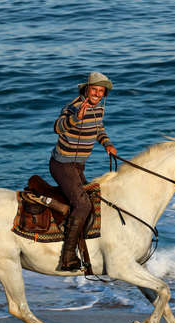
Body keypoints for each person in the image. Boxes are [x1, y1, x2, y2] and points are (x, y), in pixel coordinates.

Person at [50, 72, 117, 271]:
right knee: (82, 204)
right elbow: (57, 127)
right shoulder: (74, 107)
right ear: (86, 90)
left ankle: (85, 244)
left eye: (100, 91)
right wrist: (75, 118)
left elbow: (99, 129)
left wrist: (107, 144)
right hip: (62, 164)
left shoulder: (98, 109)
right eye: (94, 89)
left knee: (94, 200)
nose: (97, 93)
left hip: (78, 166)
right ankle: (67, 257)